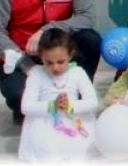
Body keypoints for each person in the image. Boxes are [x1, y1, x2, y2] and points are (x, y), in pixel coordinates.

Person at [16, 28, 98, 163]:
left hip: (74, 119)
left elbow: (93, 102)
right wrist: (52, 105)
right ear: (41, 56)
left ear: (70, 55)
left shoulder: (78, 72)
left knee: (80, 153)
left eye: (61, 62)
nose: (55, 68)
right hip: (45, 123)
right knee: (49, 153)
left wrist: (70, 105)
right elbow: (26, 107)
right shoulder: (36, 74)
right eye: (49, 62)